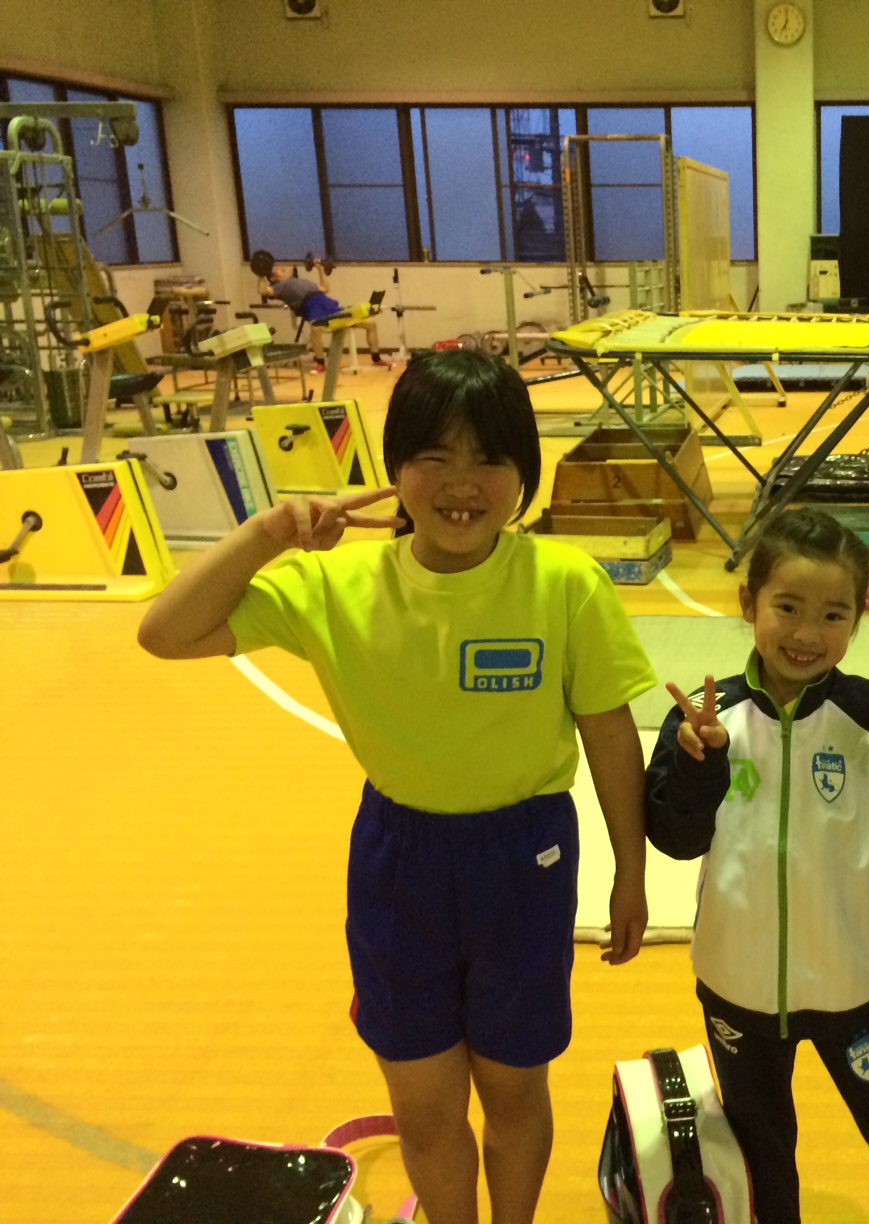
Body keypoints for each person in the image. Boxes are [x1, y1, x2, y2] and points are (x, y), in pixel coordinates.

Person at [137, 350, 655, 1224]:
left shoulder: (566, 585)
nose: (462, 483)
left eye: (489, 458)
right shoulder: (335, 584)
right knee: (423, 1103)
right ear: (394, 469)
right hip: (398, 861)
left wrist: (631, 875)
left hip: (525, 860)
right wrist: (267, 533)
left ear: (525, 473)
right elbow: (165, 632)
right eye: (434, 456)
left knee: (513, 1090)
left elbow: (610, 736)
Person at [645, 507, 869, 1222]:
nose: (807, 633)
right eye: (788, 608)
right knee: (755, 1123)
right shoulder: (706, 717)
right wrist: (698, 762)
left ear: (856, 621)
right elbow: (674, 836)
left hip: (851, 965)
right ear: (749, 604)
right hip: (736, 972)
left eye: (833, 615)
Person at [252, 248, 387, 368]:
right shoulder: (279, 287)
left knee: (371, 323)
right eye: (278, 269)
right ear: (273, 278)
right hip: (314, 308)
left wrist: (321, 270)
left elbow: (325, 288)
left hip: (330, 305)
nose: (281, 268)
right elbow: (263, 290)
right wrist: (261, 274)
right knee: (315, 329)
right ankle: (320, 364)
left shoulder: (300, 281)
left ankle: (376, 359)